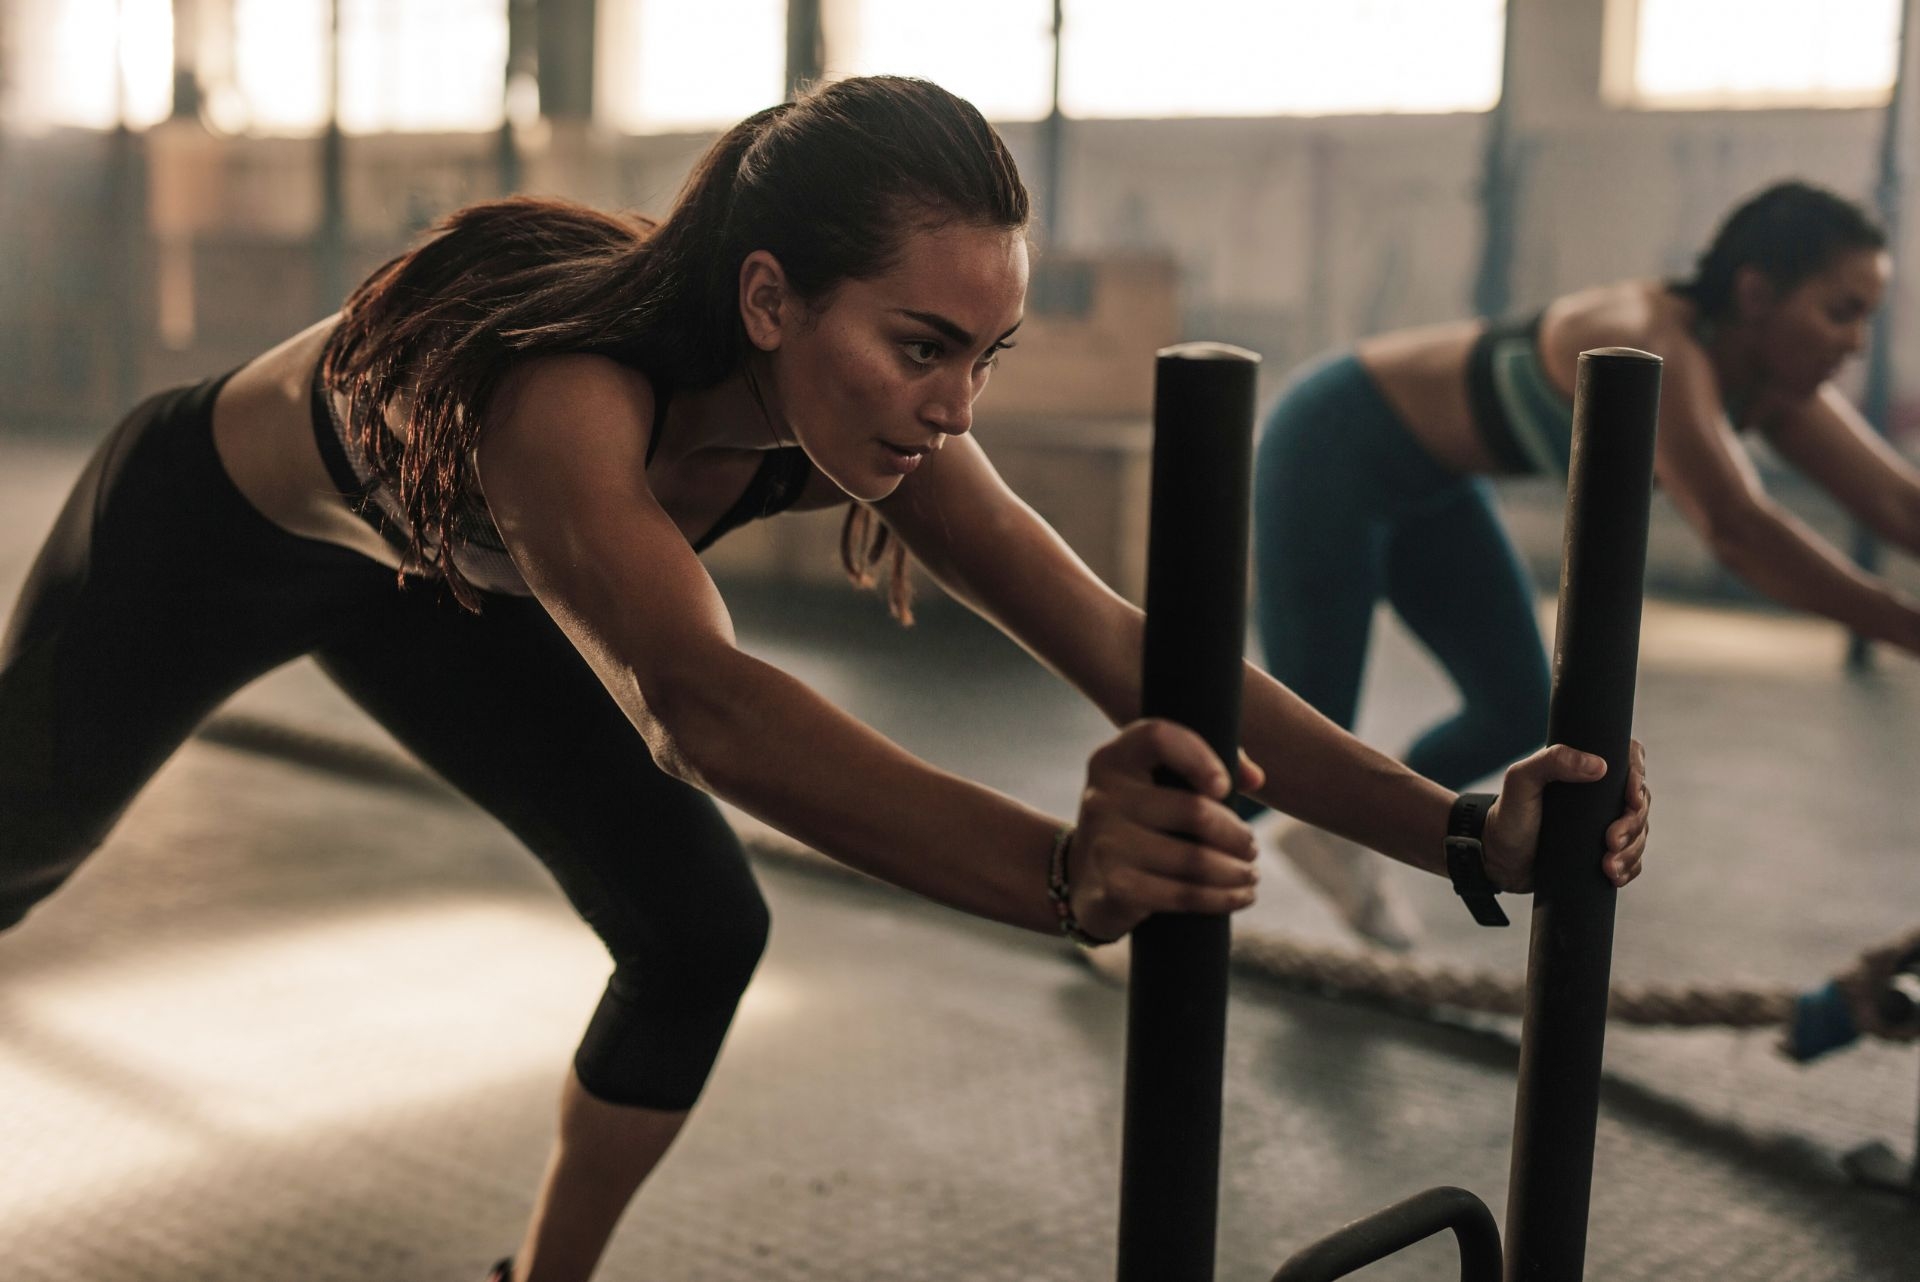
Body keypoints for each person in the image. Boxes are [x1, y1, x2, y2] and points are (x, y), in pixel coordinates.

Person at [0, 76, 1649, 1282]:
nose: (952, 406)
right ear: (769, 296)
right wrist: (1064, 873)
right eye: (920, 344)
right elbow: (697, 703)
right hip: (207, 530)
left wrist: (1453, 833)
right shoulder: (569, 397)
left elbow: (1132, 646)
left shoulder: (864, 419)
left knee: (699, 928)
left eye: (981, 358)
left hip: (452, 586)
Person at [1248, 179, 1909, 952]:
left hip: (1434, 488)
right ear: (1757, 293)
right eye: (1841, 312)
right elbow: (1737, 528)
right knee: (1297, 738)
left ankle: (1346, 833)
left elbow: (1899, 507)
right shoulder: (1650, 335)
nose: (1857, 343)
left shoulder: (1769, 383)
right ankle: (1145, 899)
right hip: (1331, 445)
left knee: (1521, 709)